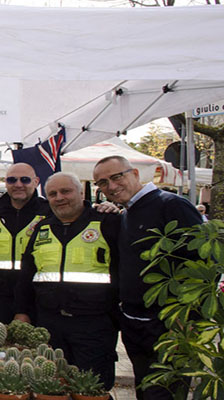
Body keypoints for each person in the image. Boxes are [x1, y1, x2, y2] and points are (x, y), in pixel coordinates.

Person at [93, 156, 202, 400]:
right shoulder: (126, 214)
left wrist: (188, 317)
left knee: (165, 393)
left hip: (169, 325)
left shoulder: (171, 205)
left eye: (116, 177)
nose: (110, 186)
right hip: (135, 323)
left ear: (134, 174)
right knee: (144, 389)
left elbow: (201, 260)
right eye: (102, 183)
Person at [14, 172, 119, 390]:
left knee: (92, 388)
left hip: (93, 325)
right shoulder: (42, 229)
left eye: (66, 191)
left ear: (81, 192)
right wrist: (22, 312)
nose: (59, 197)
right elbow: (27, 274)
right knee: (51, 386)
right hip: (49, 323)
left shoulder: (107, 222)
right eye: (53, 194)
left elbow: (123, 271)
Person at [0, 163, 51, 324]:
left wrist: (105, 207)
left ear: (36, 181)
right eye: (11, 180)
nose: (18, 185)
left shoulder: (49, 212)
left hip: (37, 299)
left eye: (25, 180)